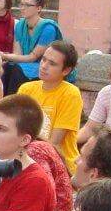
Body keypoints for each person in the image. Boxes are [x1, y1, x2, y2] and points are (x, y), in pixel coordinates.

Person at [18, 40, 84, 173]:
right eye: (43, 59)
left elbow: (53, 143)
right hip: (25, 157)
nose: (43, 66)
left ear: (66, 70)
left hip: (59, 164)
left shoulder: (70, 94)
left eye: (52, 63)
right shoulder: (26, 89)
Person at [1, 0, 62, 95]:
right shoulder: (19, 25)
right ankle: (2, 103)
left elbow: (33, 57)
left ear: (38, 8)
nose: (22, 8)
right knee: (6, 67)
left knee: (16, 69)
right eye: (21, 4)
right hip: (24, 64)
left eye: (27, 5)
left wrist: (4, 56)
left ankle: (13, 104)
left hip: (43, 65)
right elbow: (18, 55)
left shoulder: (48, 29)